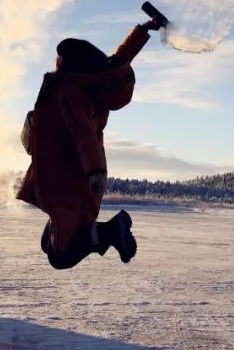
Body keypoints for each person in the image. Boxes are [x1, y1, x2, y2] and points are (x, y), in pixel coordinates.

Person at [17, 15, 165, 270]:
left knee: (60, 256)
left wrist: (94, 170)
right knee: (56, 239)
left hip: (65, 178)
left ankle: (110, 231)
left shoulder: (70, 93)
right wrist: (143, 30)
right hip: (69, 176)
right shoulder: (93, 83)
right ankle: (104, 233)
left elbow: (82, 133)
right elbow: (119, 61)